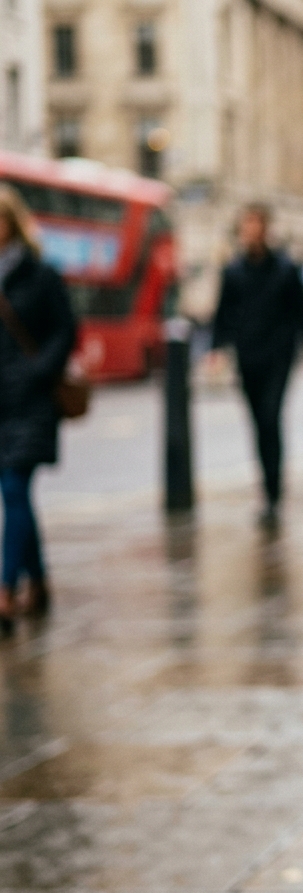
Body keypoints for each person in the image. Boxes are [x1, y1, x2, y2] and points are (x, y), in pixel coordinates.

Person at [211, 204, 303, 525]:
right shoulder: (233, 271)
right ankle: (267, 486)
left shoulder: (285, 269)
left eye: (256, 225)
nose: (251, 231)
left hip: (278, 357)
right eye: (247, 225)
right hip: (248, 356)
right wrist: (217, 348)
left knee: (271, 417)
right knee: (259, 422)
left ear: (266, 229)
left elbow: (302, 311)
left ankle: (274, 491)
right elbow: (223, 313)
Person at [0, 185, 76, 629]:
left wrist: (37, 374)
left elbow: (65, 331)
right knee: (16, 493)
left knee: (13, 488)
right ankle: (40, 578)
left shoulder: (41, 275)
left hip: (30, 400)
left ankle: (6, 590)